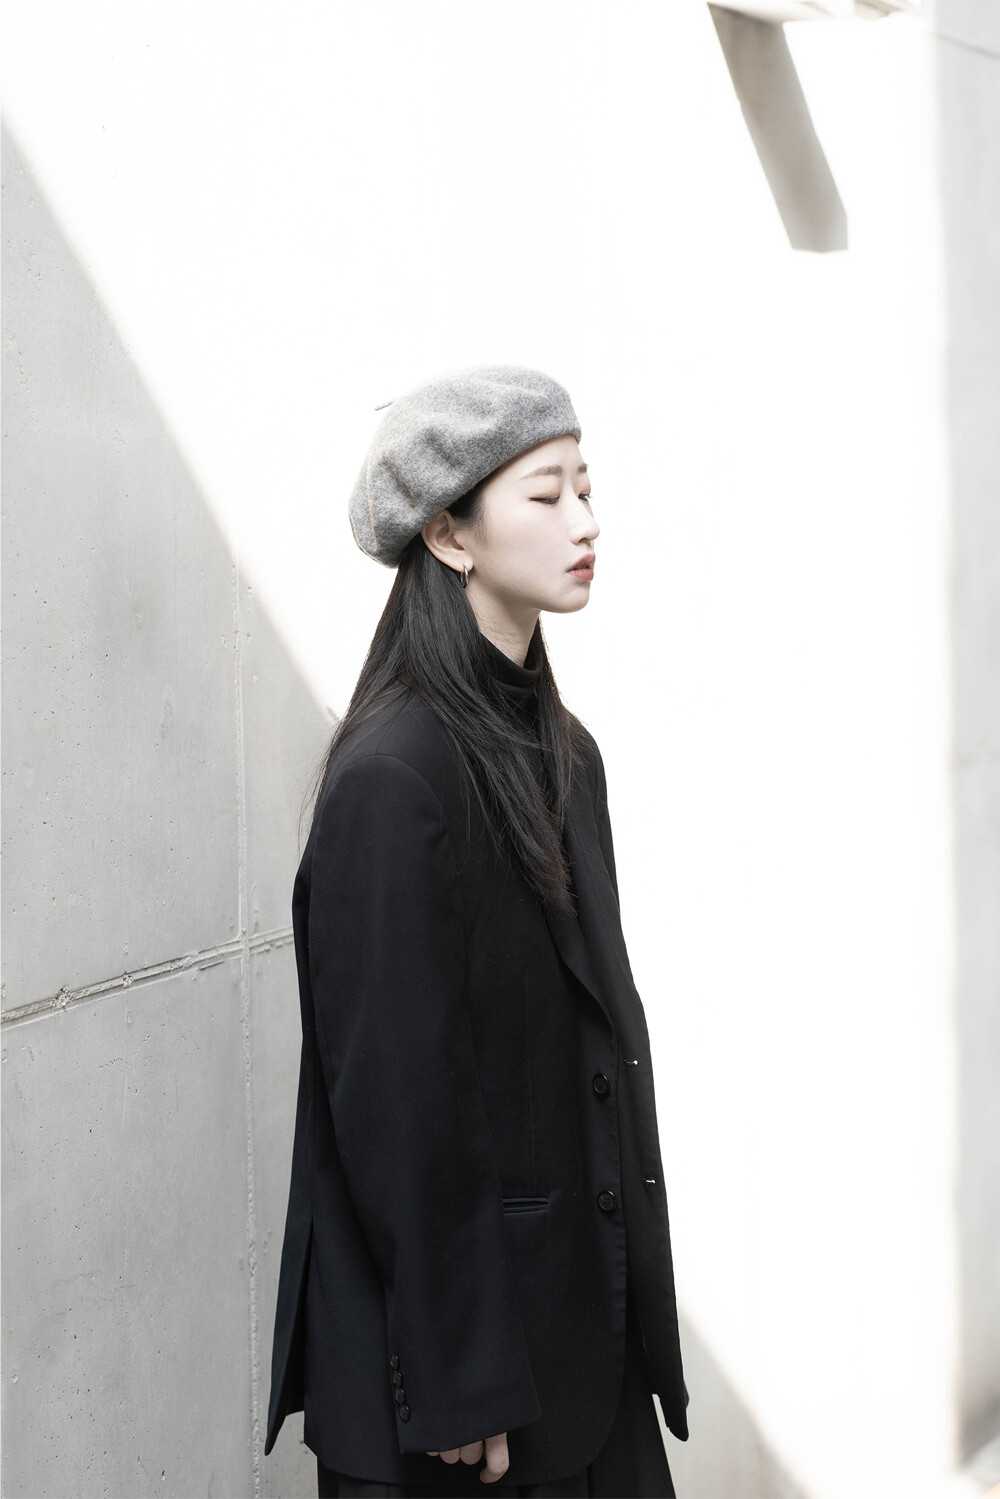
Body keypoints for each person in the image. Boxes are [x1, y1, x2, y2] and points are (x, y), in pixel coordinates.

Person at [263, 366, 689, 1498]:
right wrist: (461, 1375)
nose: (585, 521)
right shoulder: (393, 777)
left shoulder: (565, 751)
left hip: (582, 1347)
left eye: (586, 488)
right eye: (546, 494)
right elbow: (397, 1101)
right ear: (449, 535)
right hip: (463, 1394)